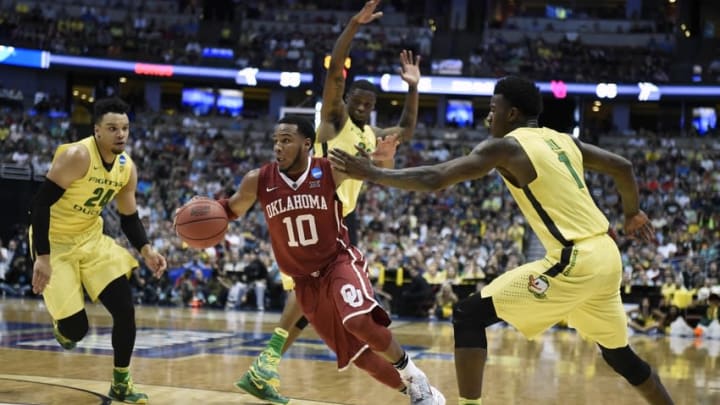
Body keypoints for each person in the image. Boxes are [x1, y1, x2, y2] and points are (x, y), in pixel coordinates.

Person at [329, 76, 674, 405]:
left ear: (512, 114)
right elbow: (623, 167)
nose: (488, 115)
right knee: (620, 357)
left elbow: (437, 178)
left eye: (494, 108)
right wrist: (632, 213)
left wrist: (375, 173)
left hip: (576, 258)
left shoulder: (507, 147)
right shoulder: (565, 140)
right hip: (607, 256)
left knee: (467, 315)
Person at [238, 0, 422, 401]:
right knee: (309, 293)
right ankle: (265, 363)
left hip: (343, 217)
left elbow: (408, 127)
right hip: (312, 208)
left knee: (313, 299)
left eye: (369, 104)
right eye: (357, 100)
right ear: (346, 100)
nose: (362, 106)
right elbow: (335, 71)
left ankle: (264, 367)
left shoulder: (371, 135)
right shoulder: (335, 121)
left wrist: (413, 86)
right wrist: (353, 26)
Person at [220, 115, 444, 405]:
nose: (278, 146)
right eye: (276, 140)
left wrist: (383, 161)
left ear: (307, 144)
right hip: (305, 283)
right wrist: (205, 210)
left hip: (337, 263)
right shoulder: (258, 180)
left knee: (358, 322)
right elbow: (229, 209)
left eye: (286, 140)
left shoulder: (328, 169)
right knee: (359, 356)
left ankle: (415, 376)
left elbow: (375, 171)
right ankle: (416, 394)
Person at [30, 97, 167, 404]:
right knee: (76, 331)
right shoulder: (77, 156)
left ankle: (121, 383)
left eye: (125, 128)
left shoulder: (126, 167)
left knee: (125, 310)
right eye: (112, 128)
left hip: (91, 239)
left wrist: (147, 250)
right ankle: (64, 326)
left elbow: (129, 218)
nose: (121, 134)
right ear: (97, 131)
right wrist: (42, 257)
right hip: (55, 242)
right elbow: (40, 205)